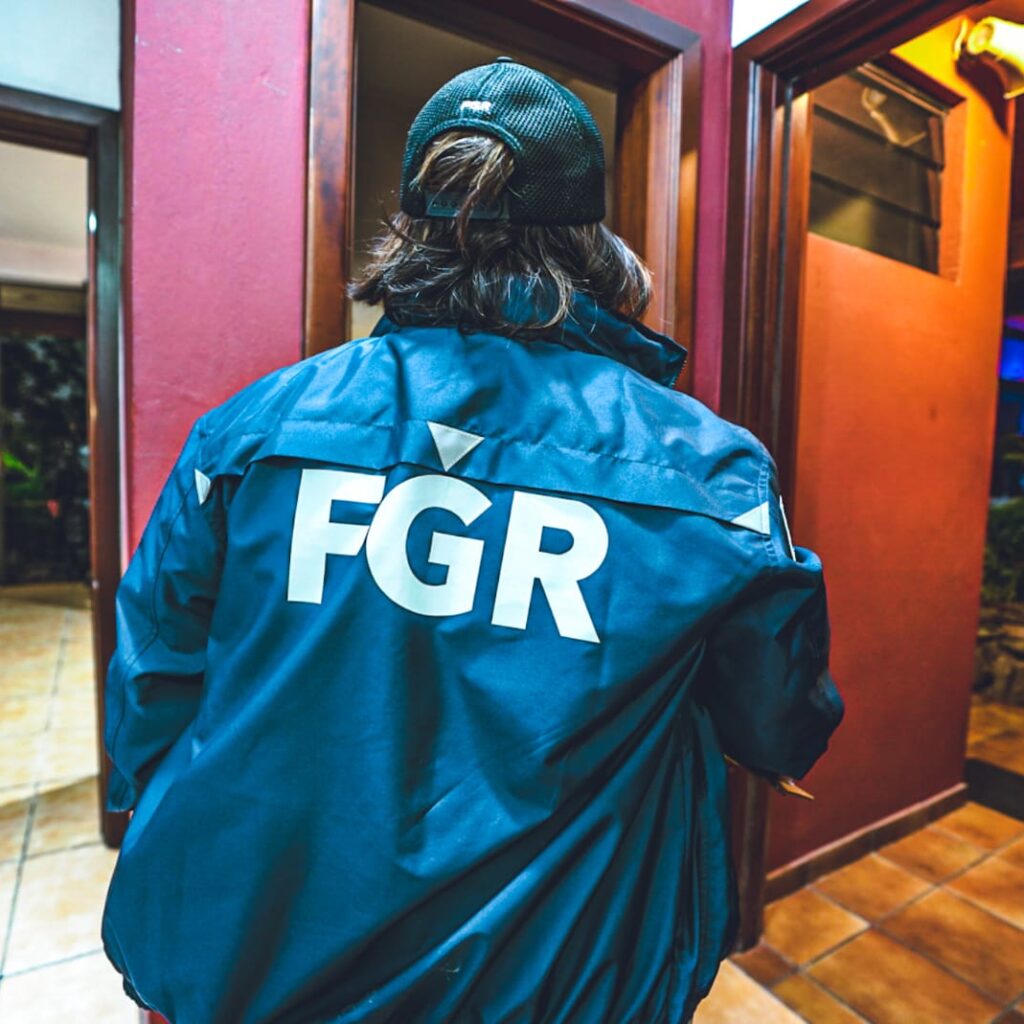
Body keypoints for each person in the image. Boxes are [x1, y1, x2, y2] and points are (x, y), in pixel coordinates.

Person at [102, 58, 844, 1024]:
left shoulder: (253, 427)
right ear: (595, 246)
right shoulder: (709, 470)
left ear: (412, 231)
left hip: (253, 959)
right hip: (555, 983)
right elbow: (776, 725)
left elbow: (151, 687)